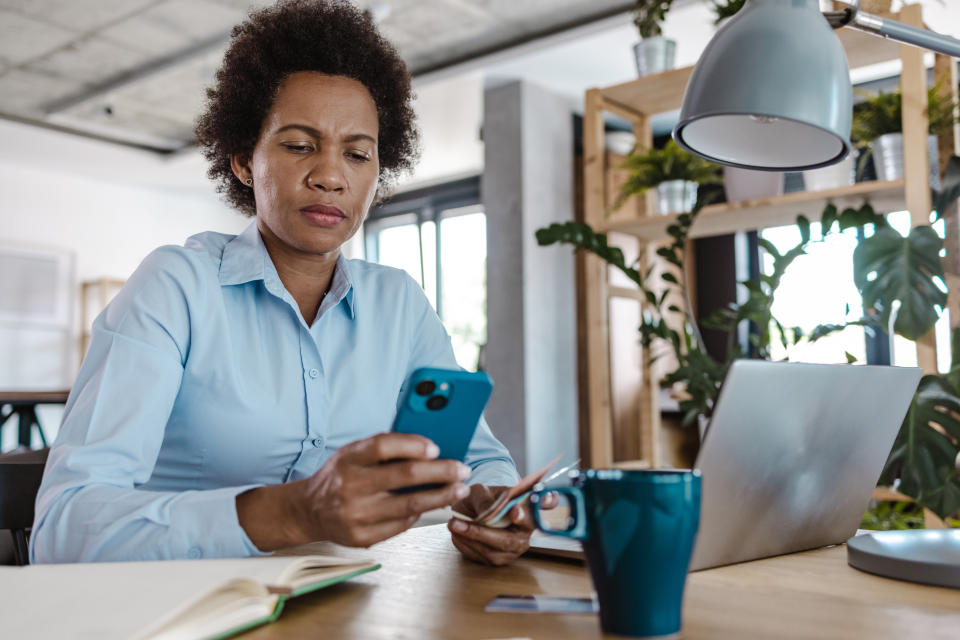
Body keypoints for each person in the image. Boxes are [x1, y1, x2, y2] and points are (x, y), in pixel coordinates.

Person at [30, 0, 543, 567]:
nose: (330, 175)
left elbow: (480, 458)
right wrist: (295, 512)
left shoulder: (398, 303)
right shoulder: (176, 287)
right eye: (299, 145)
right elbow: (63, 529)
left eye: (357, 153)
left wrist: (492, 505)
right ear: (244, 162)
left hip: (353, 608)